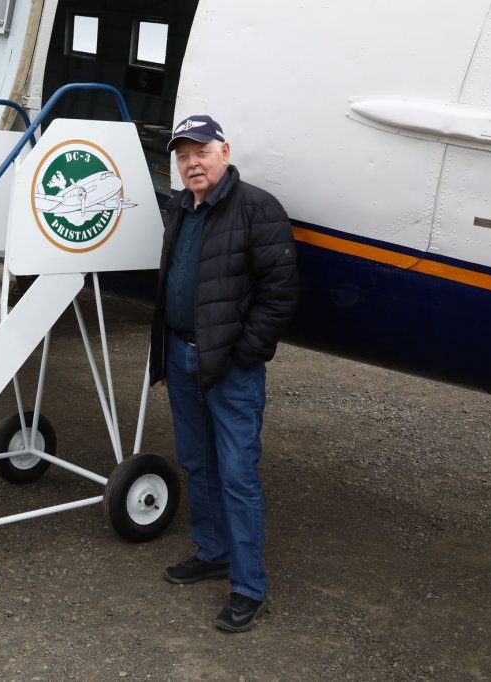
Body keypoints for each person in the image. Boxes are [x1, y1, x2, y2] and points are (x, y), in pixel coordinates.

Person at [149, 114, 298, 632]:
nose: (192, 163)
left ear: (225, 151)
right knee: (197, 462)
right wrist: (167, 357)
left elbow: (280, 294)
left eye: (201, 152)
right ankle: (212, 552)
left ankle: (248, 585)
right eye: (183, 155)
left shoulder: (257, 208)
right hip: (183, 358)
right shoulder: (180, 208)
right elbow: (172, 283)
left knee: (237, 475)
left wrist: (244, 353)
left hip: (231, 367)